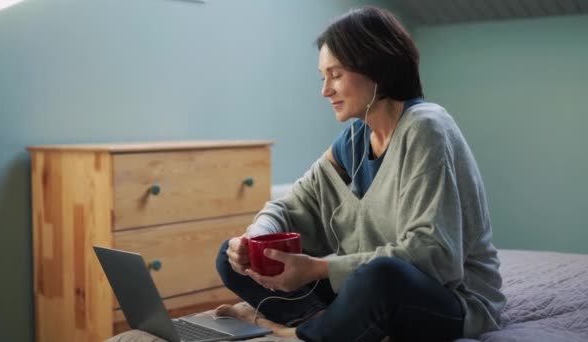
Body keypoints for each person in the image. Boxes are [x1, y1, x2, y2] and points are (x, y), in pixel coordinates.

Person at [215, 6, 506, 342]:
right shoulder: (354, 141)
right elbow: (291, 206)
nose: (325, 90)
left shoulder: (426, 128)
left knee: (379, 277)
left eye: (336, 75)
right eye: (323, 77)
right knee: (231, 256)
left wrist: (317, 269)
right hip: (371, 286)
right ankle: (323, 324)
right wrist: (254, 240)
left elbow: (433, 254)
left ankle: (292, 331)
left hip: (453, 299)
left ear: (376, 68)